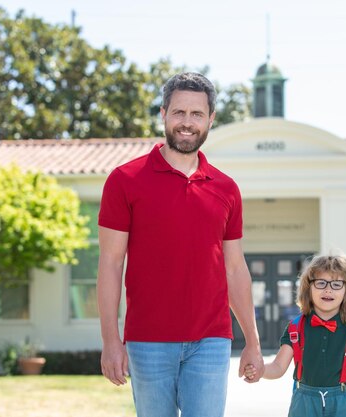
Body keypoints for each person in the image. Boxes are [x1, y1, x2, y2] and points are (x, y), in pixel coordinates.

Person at [97, 72, 264, 417]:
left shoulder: (226, 188)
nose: (187, 123)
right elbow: (111, 264)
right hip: (148, 341)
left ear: (210, 119)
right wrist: (111, 341)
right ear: (163, 114)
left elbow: (234, 268)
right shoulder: (124, 181)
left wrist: (252, 341)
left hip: (211, 340)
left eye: (197, 115)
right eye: (179, 113)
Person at [244, 253, 346, 417]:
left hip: (344, 404)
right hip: (304, 404)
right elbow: (278, 367)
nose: (328, 289)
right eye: (321, 283)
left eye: (336, 284)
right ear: (309, 288)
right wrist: (261, 370)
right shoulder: (296, 328)